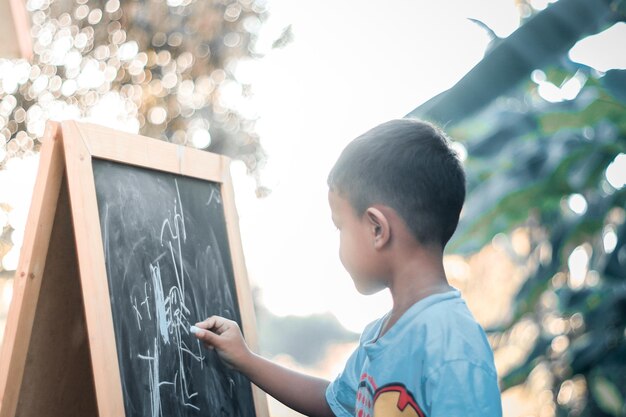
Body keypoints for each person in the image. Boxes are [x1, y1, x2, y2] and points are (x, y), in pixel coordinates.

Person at [191, 119, 502, 417]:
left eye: (339, 226)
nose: (338, 243)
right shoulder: (381, 333)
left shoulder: (453, 344)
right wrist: (245, 359)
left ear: (377, 229)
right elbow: (334, 405)